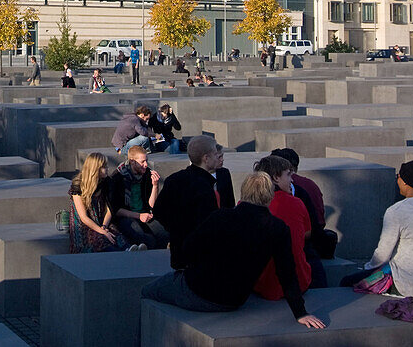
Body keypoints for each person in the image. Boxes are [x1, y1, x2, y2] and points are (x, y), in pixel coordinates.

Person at [141, 172, 325, 329]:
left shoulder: (221, 216)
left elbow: (188, 248)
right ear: (269, 196)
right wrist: (300, 313)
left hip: (197, 290)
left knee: (147, 292)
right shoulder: (278, 228)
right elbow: (287, 272)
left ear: (244, 193)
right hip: (234, 300)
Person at [339, 161, 413, 299]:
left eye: (398, 176)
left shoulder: (396, 211)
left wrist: (367, 269)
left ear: (405, 182)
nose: (397, 180)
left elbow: (382, 255)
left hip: (407, 287)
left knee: (346, 282)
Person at [152, 136, 235, 269]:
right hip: (200, 261)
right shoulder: (204, 188)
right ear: (206, 158)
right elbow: (208, 226)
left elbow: (159, 211)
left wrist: (175, 230)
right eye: (215, 154)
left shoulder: (173, 179)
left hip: (179, 253)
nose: (218, 158)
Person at [252, 156, 312, 301]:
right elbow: (307, 234)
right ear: (276, 178)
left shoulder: (247, 204)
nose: (292, 180)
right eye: (289, 175)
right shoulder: (297, 203)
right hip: (299, 282)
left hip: (260, 284)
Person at [68, 153, 131, 253]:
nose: (107, 169)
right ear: (95, 169)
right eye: (104, 167)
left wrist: (104, 226)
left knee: (116, 235)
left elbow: (110, 209)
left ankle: (129, 250)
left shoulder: (107, 182)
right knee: (99, 239)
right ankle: (118, 254)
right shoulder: (78, 186)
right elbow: (83, 217)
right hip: (84, 225)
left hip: (101, 221)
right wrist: (101, 231)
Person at [108, 146, 168, 249]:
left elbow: (152, 205)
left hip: (145, 213)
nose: (145, 165)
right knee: (145, 238)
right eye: (142, 161)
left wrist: (155, 186)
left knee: (164, 234)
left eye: (146, 161)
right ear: (132, 161)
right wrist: (138, 216)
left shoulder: (147, 174)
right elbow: (115, 209)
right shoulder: (118, 177)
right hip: (127, 216)